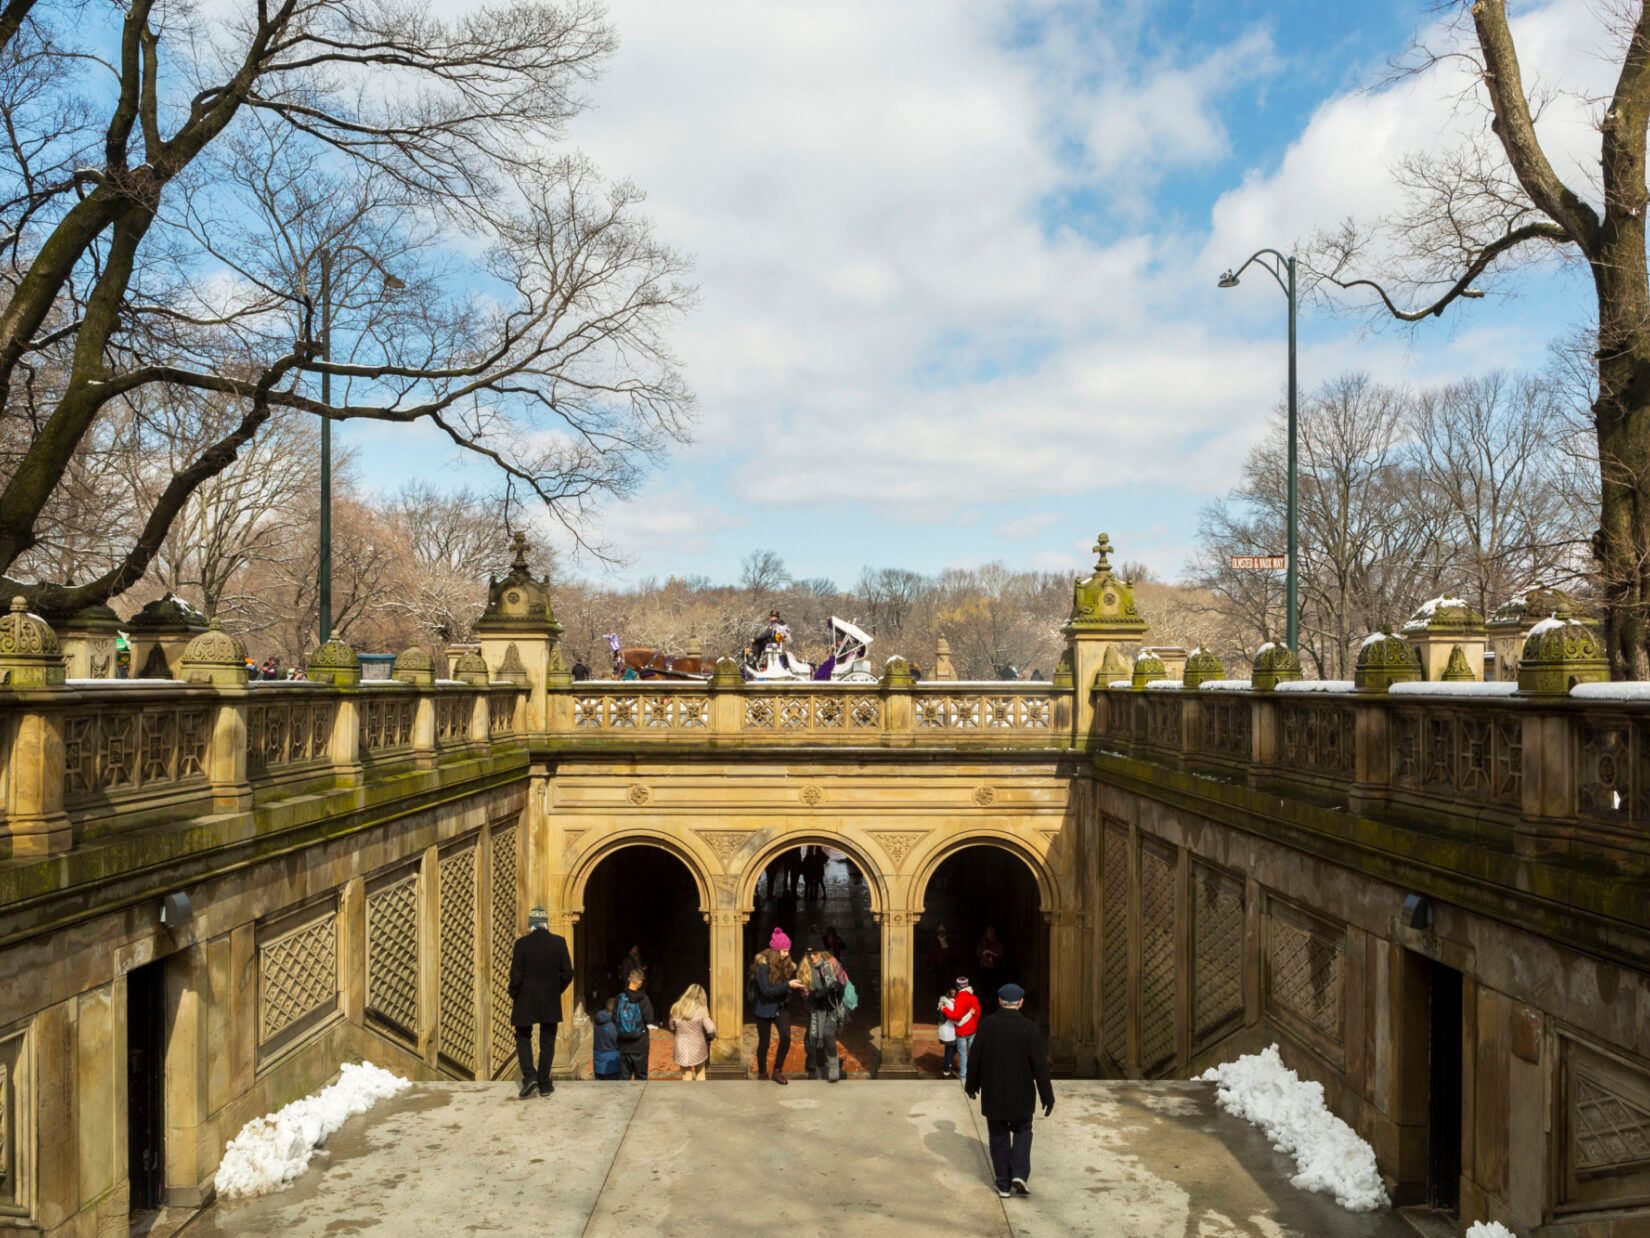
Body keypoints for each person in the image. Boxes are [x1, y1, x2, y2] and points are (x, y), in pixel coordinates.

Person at [966, 983, 1054, 1199]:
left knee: (998, 1136)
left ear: (999, 1001)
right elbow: (1040, 1067)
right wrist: (1047, 1096)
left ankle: (1003, 1184)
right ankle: (1020, 1173)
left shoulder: (987, 1026)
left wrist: (971, 1084)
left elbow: (975, 1057)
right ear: (1021, 1002)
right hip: (1022, 1094)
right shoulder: (1030, 1029)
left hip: (994, 1094)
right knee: (1023, 1131)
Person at [507, 906, 574, 1099]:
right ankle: (545, 1082)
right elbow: (568, 973)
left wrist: (514, 993)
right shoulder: (559, 943)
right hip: (549, 1000)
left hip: (525, 999)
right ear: (546, 923)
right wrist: (555, 989)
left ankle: (530, 1076)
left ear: (531, 925)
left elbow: (516, 975)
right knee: (547, 1040)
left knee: (522, 1036)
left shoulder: (521, 944)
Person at [749, 929, 801, 1084]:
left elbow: (785, 986)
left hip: (780, 1007)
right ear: (776, 951)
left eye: (788, 950)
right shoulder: (763, 966)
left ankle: (777, 1070)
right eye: (784, 951)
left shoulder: (787, 964)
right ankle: (763, 1072)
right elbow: (766, 990)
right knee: (764, 1042)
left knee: (785, 1037)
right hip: (763, 1008)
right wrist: (788, 985)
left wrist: (791, 989)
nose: (786, 954)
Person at [799, 938, 847, 1081]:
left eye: (815, 953)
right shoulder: (804, 969)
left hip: (834, 1007)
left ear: (822, 952)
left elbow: (843, 981)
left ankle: (833, 1068)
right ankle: (819, 1070)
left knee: (827, 1034)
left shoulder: (832, 963)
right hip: (816, 1010)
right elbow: (806, 996)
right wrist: (820, 993)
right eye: (809, 954)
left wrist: (838, 986)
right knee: (815, 1039)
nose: (812, 957)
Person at [669, 984, 717, 1081]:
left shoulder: (676, 1007)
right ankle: (700, 1094)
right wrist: (712, 1036)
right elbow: (711, 1029)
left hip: (681, 1045)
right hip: (698, 1045)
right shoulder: (702, 1009)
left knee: (686, 1074)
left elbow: (671, 1026)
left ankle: (688, 1094)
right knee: (700, 1071)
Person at [615, 969, 655, 1080]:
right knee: (641, 1077)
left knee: (624, 1077)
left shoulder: (620, 998)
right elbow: (649, 1019)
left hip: (624, 1044)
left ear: (629, 979)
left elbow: (614, 1018)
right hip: (640, 1044)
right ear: (640, 982)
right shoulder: (644, 999)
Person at [950, 975, 981, 1084]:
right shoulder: (973, 997)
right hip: (972, 1029)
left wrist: (944, 1009)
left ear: (958, 986)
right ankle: (974, 1074)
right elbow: (978, 1013)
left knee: (963, 1054)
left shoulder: (959, 999)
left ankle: (963, 1077)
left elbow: (956, 1016)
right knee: (972, 1053)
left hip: (962, 1031)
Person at [592, 999, 621, 1080]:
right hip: (611, 1064)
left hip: (597, 1061)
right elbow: (616, 1041)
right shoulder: (611, 1025)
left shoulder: (597, 1019)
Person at [937, 987, 959, 1079]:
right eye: (951, 993)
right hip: (949, 1030)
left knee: (952, 1050)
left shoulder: (944, 1001)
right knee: (950, 1050)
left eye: (955, 993)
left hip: (951, 1030)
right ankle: (946, 1069)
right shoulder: (946, 1002)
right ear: (948, 993)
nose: (953, 995)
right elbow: (954, 1015)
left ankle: (947, 1067)